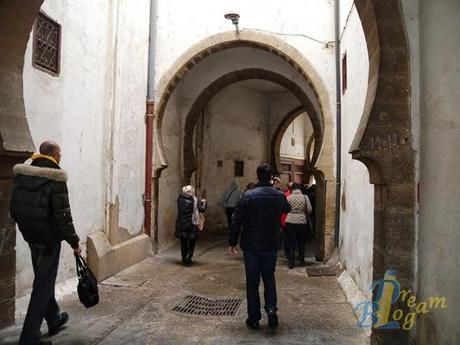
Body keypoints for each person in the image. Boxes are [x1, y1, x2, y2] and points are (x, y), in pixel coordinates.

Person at [10, 141, 81, 345]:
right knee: (42, 285)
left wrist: (28, 227)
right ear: (53, 154)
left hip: (31, 237)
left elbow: (14, 209)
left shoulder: (24, 175)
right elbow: (63, 216)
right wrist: (75, 242)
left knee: (44, 279)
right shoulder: (56, 178)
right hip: (49, 240)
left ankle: (53, 318)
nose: (61, 156)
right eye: (60, 153)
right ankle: (29, 337)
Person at [229, 163, 291, 330]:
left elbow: (236, 220)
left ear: (256, 176)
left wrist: (232, 242)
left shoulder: (247, 196)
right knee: (269, 278)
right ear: (271, 177)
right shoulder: (277, 195)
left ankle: (254, 317)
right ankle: (271, 310)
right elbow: (288, 208)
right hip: (270, 245)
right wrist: (276, 188)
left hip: (251, 246)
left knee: (252, 281)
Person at [175, 185, 207, 266]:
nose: (193, 192)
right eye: (192, 191)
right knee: (192, 241)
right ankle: (189, 256)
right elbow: (202, 209)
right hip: (191, 224)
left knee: (183, 242)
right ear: (189, 192)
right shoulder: (193, 201)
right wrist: (204, 203)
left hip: (182, 224)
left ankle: (184, 259)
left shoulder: (180, 199)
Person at [285, 183, 312, 269]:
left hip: (290, 221)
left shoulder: (288, 198)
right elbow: (309, 209)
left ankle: (291, 262)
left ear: (292, 189)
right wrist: (302, 213)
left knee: (291, 242)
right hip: (301, 222)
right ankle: (301, 260)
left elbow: (285, 209)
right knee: (301, 241)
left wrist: (291, 212)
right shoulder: (305, 197)